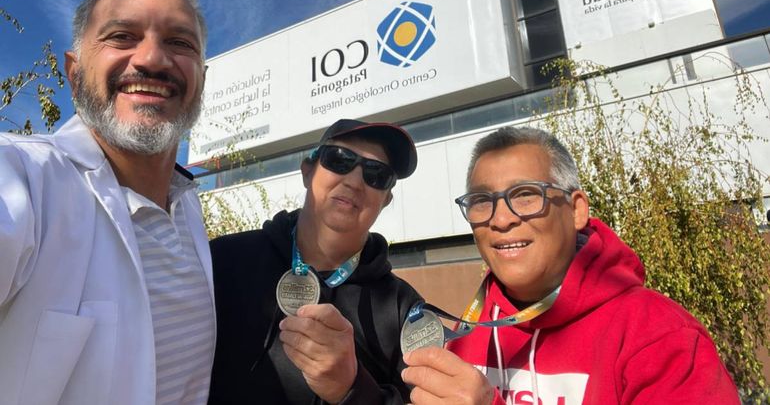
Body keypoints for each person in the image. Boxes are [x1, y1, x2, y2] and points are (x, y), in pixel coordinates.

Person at [401, 126, 740, 404]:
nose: (501, 219)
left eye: (526, 195)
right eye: (481, 201)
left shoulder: (659, 337)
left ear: (577, 210)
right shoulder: (468, 332)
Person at [0, 0, 213, 404]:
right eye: (122, 36)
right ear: (74, 73)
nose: (152, 59)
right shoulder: (23, 176)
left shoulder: (188, 207)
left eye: (179, 42)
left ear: (201, 79)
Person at [209, 119, 423, 404]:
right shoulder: (223, 260)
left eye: (377, 174)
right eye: (340, 160)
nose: (354, 181)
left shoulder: (404, 309)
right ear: (307, 171)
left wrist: (352, 389)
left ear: (386, 200)